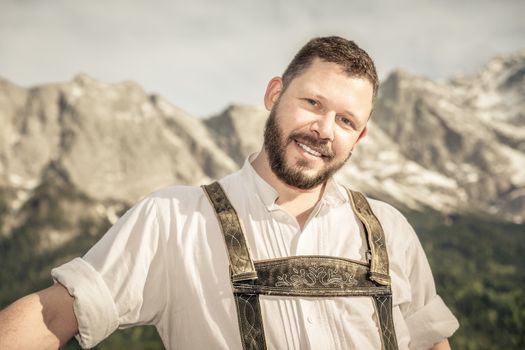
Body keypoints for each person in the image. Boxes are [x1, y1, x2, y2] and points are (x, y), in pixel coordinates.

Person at [0, 36, 459, 350]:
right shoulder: (174, 218)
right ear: (274, 94)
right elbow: (54, 313)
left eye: (346, 120)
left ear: (358, 137)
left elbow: (429, 340)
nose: (323, 130)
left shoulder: (387, 228)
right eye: (313, 103)